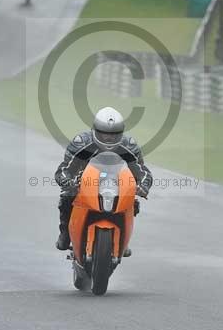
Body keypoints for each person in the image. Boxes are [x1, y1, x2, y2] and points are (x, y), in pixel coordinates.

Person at [54, 107, 152, 255]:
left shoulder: (129, 146)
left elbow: (142, 171)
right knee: (67, 197)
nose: (108, 138)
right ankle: (65, 234)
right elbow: (64, 169)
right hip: (85, 183)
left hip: (117, 182)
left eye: (114, 135)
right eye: (104, 134)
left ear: (121, 133)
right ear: (95, 130)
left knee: (132, 202)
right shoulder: (81, 142)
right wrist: (68, 182)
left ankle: (123, 241)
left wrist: (143, 186)